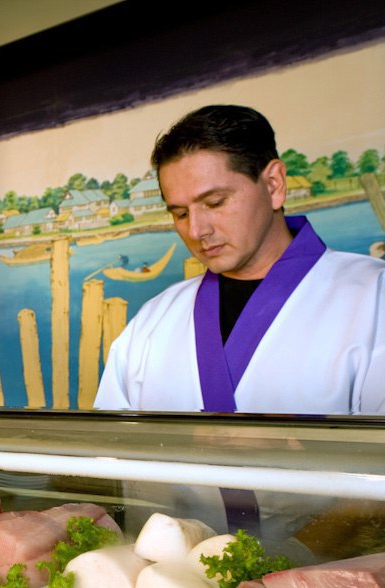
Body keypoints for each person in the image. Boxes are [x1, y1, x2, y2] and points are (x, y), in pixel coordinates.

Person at [94, 105, 385, 414]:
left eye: (215, 202)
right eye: (180, 213)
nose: (195, 230)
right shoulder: (151, 323)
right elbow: (113, 451)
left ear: (274, 184)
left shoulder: (373, 297)